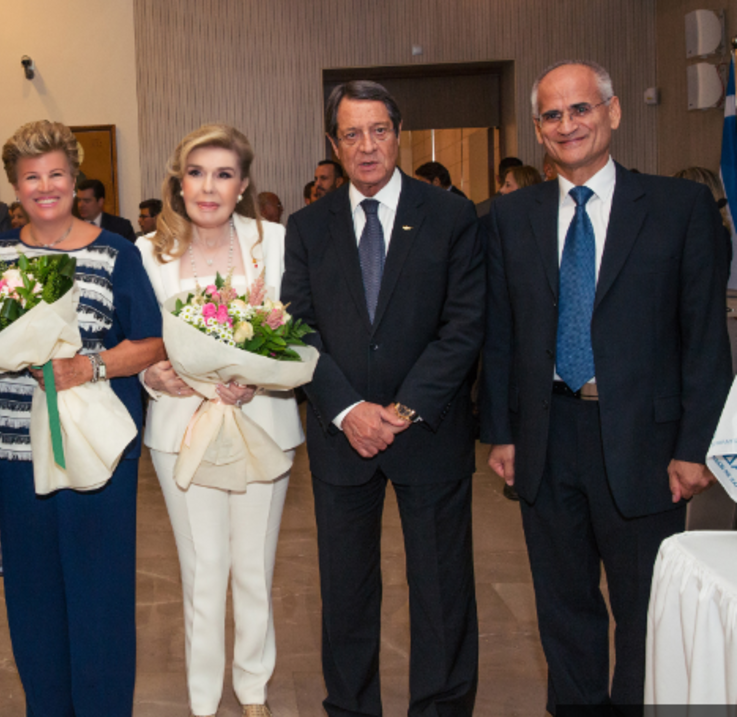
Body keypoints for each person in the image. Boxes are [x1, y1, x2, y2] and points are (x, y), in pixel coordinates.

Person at [480, 60, 731, 711]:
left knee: (644, 611)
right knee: (563, 609)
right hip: (546, 436)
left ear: (613, 112)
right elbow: (500, 333)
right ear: (539, 129)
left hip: (646, 443)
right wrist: (502, 433)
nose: (568, 125)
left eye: (581, 109)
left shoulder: (678, 209)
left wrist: (695, 448)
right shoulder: (510, 217)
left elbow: (706, 339)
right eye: (553, 115)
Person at [283, 80, 483, 717]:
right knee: (345, 593)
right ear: (333, 143)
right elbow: (297, 326)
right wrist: (348, 410)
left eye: (378, 131)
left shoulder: (450, 215)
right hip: (341, 435)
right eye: (351, 134)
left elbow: (464, 325)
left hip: (428, 431)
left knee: (442, 591)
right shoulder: (307, 226)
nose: (366, 146)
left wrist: (402, 410)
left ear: (398, 134)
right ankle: (351, 707)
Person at [0, 120, 163, 715]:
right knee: (33, 600)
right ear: (15, 185)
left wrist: (88, 366)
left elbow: (151, 342)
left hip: (95, 450)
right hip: (16, 451)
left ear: (75, 179)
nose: (45, 187)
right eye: (31, 177)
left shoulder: (115, 252)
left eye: (56, 174)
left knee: (99, 598)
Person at [137, 124, 303, 717]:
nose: (209, 187)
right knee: (203, 569)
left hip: (262, 420)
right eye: (197, 173)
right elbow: (134, 339)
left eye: (223, 174)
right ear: (179, 182)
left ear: (244, 184)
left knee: (254, 566)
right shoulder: (147, 252)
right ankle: (203, 701)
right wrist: (150, 375)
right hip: (181, 426)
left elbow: (301, 328)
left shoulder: (275, 241)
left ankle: (253, 691)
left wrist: (264, 374)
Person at [76, 177, 137, 242]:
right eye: (79, 200)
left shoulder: (121, 227)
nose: (80, 205)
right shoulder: (71, 228)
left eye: (87, 201)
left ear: (100, 202)